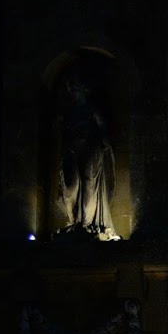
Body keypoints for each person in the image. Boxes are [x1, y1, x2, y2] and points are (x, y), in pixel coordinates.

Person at [59, 73, 116, 238]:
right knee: (70, 187)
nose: (72, 92)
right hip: (71, 152)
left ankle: (85, 224)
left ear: (84, 90)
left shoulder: (92, 111)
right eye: (70, 88)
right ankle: (72, 221)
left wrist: (100, 140)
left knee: (89, 183)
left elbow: (105, 130)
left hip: (90, 150)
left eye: (75, 88)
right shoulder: (69, 113)